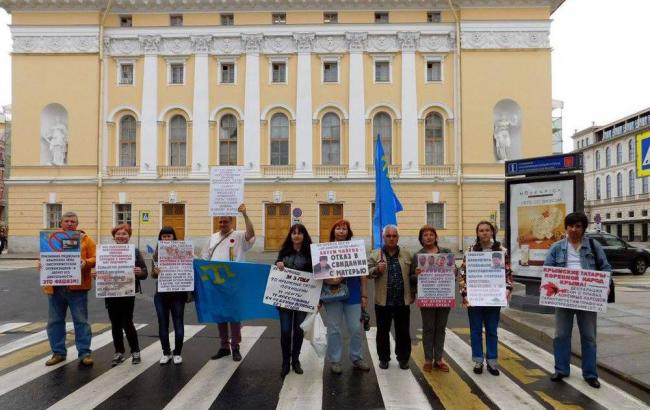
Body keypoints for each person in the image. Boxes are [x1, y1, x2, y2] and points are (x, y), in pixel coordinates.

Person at [544, 212, 611, 389]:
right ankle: (561, 369)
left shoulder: (594, 246)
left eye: (578, 226)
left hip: (587, 298)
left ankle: (590, 374)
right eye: (571, 226)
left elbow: (605, 267)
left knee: (589, 337)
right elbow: (548, 269)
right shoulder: (557, 248)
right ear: (566, 228)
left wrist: (606, 284)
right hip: (564, 298)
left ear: (583, 228)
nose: (574, 229)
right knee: (561, 335)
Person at [201, 203, 255, 362]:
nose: (223, 224)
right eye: (220, 221)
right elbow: (205, 259)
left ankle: (235, 347)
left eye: (226, 221)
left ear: (232, 222)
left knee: (234, 316)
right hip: (217, 284)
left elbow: (251, 234)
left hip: (234, 284)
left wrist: (245, 214)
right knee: (221, 315)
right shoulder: (212, 238)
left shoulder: (239, 236)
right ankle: (224, 346)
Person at [42, 211, 96, 367]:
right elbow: (44, 257)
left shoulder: (86, 239)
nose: (70, 223)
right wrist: (41, 263)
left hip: (78, 288)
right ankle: (58, 353)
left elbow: (96, 257)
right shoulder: (50, 239)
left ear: (77, 224)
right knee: (54, 322)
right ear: (61, 223)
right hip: (56, 288)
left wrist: (85, 263)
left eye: (73, 221)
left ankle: (85, 353)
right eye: (67, 221)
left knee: (81, 322)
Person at [459, 221, 513, 376]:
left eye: (487, 230)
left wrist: (507, 290)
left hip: (493, 298)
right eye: (481, 230)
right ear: (477, 233)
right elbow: (463, 274)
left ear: (492, 232)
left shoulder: (502, 251)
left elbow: (508, 273)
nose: (484, 233)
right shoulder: (470, 251)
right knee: (475, 330)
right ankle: (478, 360)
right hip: (475, 298)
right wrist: (465, 294)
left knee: (492, 331)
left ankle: (492, 362)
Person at [322, 219, 371, 374]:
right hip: (332, 294)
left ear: (348, 232)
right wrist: (331, 280)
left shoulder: (356, 248)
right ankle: (335, 360)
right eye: (338, 228)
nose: (341, 231)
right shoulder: (324, 249)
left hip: (354, 294)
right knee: (334, 329)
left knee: (356, 328)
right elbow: (320, 272)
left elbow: (363, 273)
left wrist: (364, 294)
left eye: (344, 229)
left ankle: (356, 357)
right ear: (333, 231)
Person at [368, 224, 413, 370]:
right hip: (383, 301)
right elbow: (366, 272)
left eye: (394, 236)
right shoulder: (375, 254)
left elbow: (412, 275)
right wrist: (376, 269)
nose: (391, 238)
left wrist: (413, 292)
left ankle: (403, 358)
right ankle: (384, 358)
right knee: (382, 331)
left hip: (402, 300)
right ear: (383, 237)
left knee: (403, 332)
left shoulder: (407, 254)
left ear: (398, 238)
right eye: (388, 236)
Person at [410, 225, 454, 373]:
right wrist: (417, 275)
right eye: (425, 235)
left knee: (440, 328)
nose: (428, 237)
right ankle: (428, 359)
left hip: (444, 295)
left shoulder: (446, 253)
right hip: (427, 296)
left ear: (436, 237)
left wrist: (454, 270)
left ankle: (439, 359)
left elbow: (454, 273)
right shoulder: (418, 256)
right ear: (421, 239)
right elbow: (411, 277)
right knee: (429, 328)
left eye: (431, 234)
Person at [104, 224, 148, 366]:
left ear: (129, 236)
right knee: (115, 324)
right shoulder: (105, 251)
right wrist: (96, 274)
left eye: (124, 234)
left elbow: (144, 273)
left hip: (127, 292)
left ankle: (135, 351)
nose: (121, 236)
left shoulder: (134, 252)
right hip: (110, 292)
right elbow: (100, 272)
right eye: (118, 234)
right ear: (113, 236)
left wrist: (138, 272)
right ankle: (119, 352)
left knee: (127, 322)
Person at [275, 224, 313, 378]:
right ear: (290, 235)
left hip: (302, 299)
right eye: (294, 233)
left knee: (298, 330)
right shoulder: (284, 252)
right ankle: (285, 362)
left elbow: (316, 276)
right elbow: (275, 272)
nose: (296, 236)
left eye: (300, 233)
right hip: (285, 299)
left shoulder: (310, 254)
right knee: (285, 331)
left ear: (304, 236)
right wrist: (278, 265)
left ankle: (295, 360)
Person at [152, 226, 188, 365]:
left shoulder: (183, 251)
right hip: (161, 295)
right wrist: (156, 272)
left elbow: (189, 268)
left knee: (178, 323)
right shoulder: (156, 254)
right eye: (164, 236)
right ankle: (166, 353)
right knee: (163, 324)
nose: (166, 239)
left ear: (174, 237)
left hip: (178, 294)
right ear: (160, 238)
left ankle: (177, 353)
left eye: (169, 236)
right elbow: (152, 275)